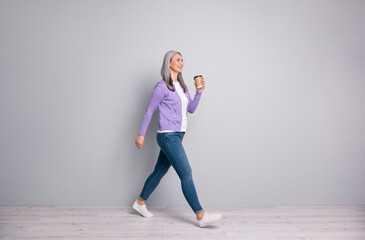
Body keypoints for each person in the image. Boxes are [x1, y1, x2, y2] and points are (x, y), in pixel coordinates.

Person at [132, 50, 222, 228]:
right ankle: (200, 215)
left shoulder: (181, 87)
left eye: (182, 60)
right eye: (178, 60)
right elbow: (149, 110)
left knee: (159, 172)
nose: (181, 63)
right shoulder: (161, 87)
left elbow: (191, 109)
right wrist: (141, 134)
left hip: (178, 136)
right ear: (169, 63)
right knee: (186, 173)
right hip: (167, 135)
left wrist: (199, 92)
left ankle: (140, 202)